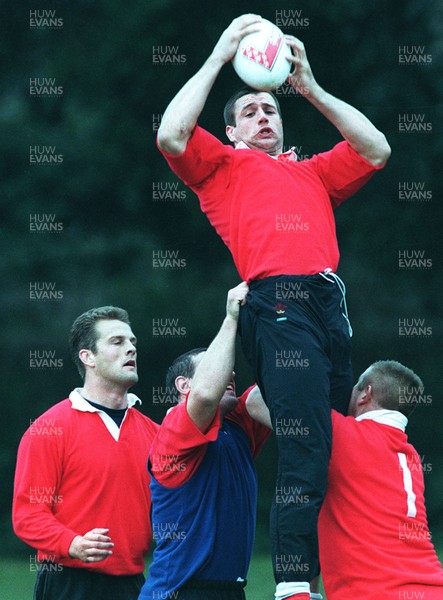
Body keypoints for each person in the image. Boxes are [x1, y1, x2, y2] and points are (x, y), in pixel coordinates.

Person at [155, 13, 391, 600]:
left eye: (271, 110)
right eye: (250, 113)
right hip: (278, 301)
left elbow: (377, 147)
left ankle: (342, 577)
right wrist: (217, 56)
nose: (264, 117)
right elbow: (170, 136)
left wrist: (309, 88)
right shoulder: (223, 169)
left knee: (334, 443)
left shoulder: (312, 172)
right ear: (232, 133)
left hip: (329, 305)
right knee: (309, 444)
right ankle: (290, 585)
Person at [13, 306, 159, 600]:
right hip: (69, 584)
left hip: (135, 584)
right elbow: (28, 514)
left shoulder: (156, 433)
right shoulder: (49, 428)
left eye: (132, 342)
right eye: (117, 342)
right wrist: (72, 543)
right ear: (88, 357)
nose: (130, 348)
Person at [138, 282, 271, 600]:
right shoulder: (173, 428)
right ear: (184, 385)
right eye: (217, 368)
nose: (231, 375)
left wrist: (276, 315)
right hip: (179, 592)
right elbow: (205, 395)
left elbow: (280, 391)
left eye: (232, 371)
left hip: (229, 590)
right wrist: (231, 318)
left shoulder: (237, 426)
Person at [318, 360, 443, 599]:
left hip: (375, 592)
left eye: (355, 386)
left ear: (366, 394)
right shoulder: (410, 455)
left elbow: (257, 403)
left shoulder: (342, 432)